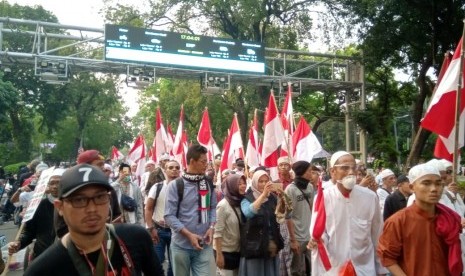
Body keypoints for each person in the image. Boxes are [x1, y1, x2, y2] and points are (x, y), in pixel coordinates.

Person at [24, 163, 163, 275]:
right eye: (79, 200)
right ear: (60, 207)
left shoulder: (136, 238)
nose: (92, 209)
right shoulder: (43, 269)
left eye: (100, 197)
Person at [308, 151, 387, 275]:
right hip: (334, 268)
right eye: (345, 168)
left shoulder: (370, 197)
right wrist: (316, 240)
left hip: (364, 268)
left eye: (353, 168)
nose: (351, 172)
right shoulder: (323, 198)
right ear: (332, 171)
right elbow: (318, 233)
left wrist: (381, 269)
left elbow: (377, 235)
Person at [377, 163, 463, 276]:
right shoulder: (398, 221)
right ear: (412, 187)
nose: (434, 189)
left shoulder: (449, 218)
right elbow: (388, 257)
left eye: (438, 184)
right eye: (426, 183)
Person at [164, 144, 217, 276]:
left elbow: (213, 207)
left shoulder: (208, 183)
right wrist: (189, 235)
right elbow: (169, 216)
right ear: (192, 161)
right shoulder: (175, 185)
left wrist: (211, 227)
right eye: (203, 162)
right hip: (181, 246)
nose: (206, 165)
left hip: (204, 245)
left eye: (207, 161)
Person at [7, 169, 65, 263]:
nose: (55, 186)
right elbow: (29, 232)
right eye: (52, 183)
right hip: (43, 256)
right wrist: (19, 243)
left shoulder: (74, 205)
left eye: (58, 182)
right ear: (48, 185)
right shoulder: (38, 205)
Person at [239, 170, 284, 276]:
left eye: (266, 181)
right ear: (254, 182)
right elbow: (248, 213)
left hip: (270, 245)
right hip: (254, 247)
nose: (264, 184)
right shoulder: (247, 198)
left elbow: (281, 216)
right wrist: (263, 195)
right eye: (260, 181)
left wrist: (282, 199)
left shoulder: (272, 198)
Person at [145, 160, 181, 276]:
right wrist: (151, 228)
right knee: (156, 261)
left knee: (174, 264)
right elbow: (148, 208)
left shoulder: (184, 188)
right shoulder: (157, 187)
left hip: (177, 232)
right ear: (165, 170)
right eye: (171, 167)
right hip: (159, 231)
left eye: (177, 167)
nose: (174, 169)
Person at [285, 161, 317, 276]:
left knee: (312, 268)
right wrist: (293, 240)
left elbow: (313, 209)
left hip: (310, 236)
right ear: (302, 172)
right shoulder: (290, 189)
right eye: (309, 171)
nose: (311, 174)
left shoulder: (310, 187)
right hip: (297, 237)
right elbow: (287, 216)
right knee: (297, 271)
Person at [214, 174, 247, 276]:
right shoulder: (223, 205)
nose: (243, 186)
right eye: (239, 184)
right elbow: (217, 232)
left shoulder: (243, 202)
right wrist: (219, 255)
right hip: (225, 252)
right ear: (231, 186)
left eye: (244, 183)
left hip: (239, 250)